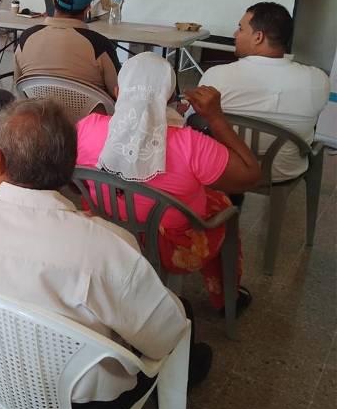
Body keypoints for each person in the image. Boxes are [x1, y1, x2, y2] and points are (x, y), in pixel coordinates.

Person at [0, 98, 210, 409]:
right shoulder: (109, 248)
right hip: (89, 401)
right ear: (70, 167)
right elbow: (163, 337)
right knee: (180, 314)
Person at [75, 52, 261, 314]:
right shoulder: (191, 144)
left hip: (101, 230)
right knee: (222, 204)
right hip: (170, 247)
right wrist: (216, 117)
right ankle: (225, 297)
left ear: (117, 92)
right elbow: (251, 175)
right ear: (171, 98)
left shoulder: (87, 127)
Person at [199, 2, 329, 181]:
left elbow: (197, 121)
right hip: (284, 172)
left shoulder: (216, 76)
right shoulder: (318, 80)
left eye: (240, 28)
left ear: (258, 37)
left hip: (226, 170)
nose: (235, 34)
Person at [14, 0, 120, 98]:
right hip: (86, 111)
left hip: (38, 110)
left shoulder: (25, 38)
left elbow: (18, 85)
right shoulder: (100, 45)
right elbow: (118, 92)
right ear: (88, 8)